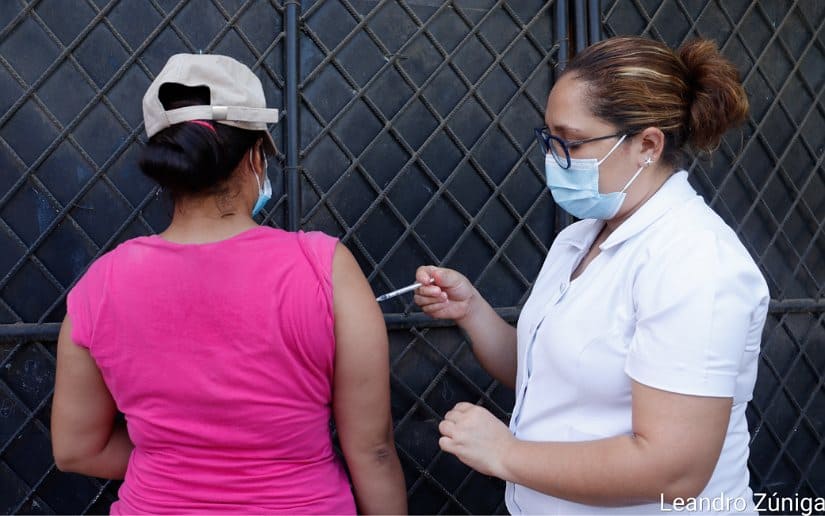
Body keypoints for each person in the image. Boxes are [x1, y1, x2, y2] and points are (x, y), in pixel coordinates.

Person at [414, 36, 769, 514]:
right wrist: (472, 311)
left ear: (646, 144)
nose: (554, 156)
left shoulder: (695, 262)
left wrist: (507, 454)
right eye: (549, 137)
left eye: (572, 141)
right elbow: (548, 374)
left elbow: (675, 471)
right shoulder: (581, 239)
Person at [51, 53, 406, 514]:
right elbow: (373, 451)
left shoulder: (99, 286)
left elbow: (75, 449)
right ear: (256, 156)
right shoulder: (325, 267)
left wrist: (185, 466)